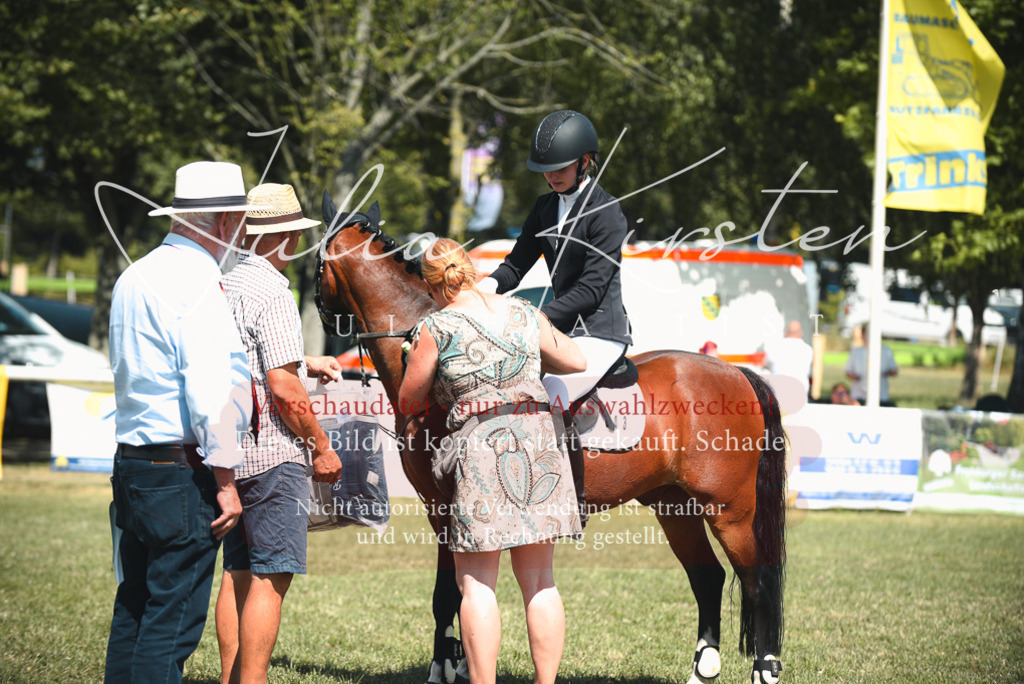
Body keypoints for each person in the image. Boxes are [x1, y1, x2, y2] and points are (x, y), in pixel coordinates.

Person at [400, 238, 585, 684]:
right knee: (541, 580)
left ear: (432, 287)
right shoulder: (523, 311)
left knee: (477, 583)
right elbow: (575, 360)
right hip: (539, 440)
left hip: (483, 446)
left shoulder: (437, 326)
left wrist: (415, 359)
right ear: (470, 268)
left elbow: (409, 400)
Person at [105, 161, 257, 683]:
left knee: (136, 605)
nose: (240, 234)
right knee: (170, 622)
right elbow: (213, 390)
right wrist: (227, 482)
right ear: (221, 223)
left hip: (134, 461)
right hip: (178, 471)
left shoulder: (136, 273)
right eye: (238, 221)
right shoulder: (197, 282)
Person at [214, 183, 345, 684]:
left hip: (231, 451)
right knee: (271, 576)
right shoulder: (274, 291)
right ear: (287, 234)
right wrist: (321, 445)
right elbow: (282, 386)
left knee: (237, 572)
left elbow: (250, 361)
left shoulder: (228, 283)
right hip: (273, 452)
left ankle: (231, 676)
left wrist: (306, 361)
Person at [477, 110, 631, 525]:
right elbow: (515, 265)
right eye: (545, 170)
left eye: (560, 167)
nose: (551, 176)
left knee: (553, 391)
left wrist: (533, 318)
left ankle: (569, 499)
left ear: (585, 161)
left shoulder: (607, 212)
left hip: (599, 330)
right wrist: (482, 291)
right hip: (561, 329)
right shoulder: (545, 207)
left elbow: (590, 290)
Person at [845, 323, 899, 406]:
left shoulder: (886, 351)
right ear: (862, 335)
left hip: (881, 396)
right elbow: (848, 372)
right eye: (867, 334)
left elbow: (894, 370)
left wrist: (885, 374)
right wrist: (857, 378)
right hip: (859, 395)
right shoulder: (855, 352)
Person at [764, 320, 814, 396]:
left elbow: (765, 363)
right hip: (800, 392)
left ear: (786, 332)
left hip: (778, 391)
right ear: (801, 333)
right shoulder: (808, 350)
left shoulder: (775, 347)